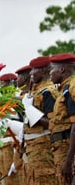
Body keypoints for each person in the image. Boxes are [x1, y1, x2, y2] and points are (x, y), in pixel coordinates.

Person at [22, 56, 58, 184]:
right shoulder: (35, 92)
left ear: (43, 70)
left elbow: (53, 123)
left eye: (34, 70)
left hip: (44, 147)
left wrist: (31, 112)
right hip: (33, 147)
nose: (31, 73)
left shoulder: (48, 92)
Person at [49, 53, 75, 185]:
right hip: (61, 150)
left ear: (62, 69)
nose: (50, 74)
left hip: (67, 151)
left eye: (52, 70)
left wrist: (69, 160)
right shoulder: (64, 89)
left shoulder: (71, 87)